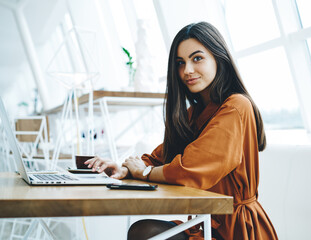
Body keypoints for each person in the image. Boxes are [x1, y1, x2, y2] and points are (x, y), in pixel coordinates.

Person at [85, 22, 278, 240]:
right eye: (180, 62)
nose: (187, 70)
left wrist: (144, 173)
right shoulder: (194, 113)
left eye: (197, 58)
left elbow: (192, 167)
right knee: (142, 231)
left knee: (144, 233)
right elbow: (161, 158)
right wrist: (124, 169)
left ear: (218, 58)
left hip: (236, 230)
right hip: (205, 225)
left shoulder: (236, 106)